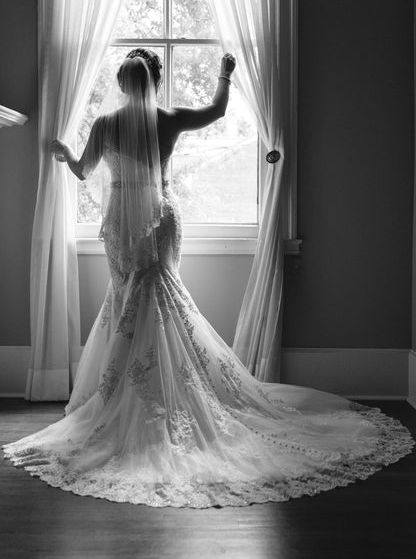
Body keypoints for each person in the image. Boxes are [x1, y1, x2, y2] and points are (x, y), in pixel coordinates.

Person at [3, 49, 413, 508]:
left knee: (132, 299)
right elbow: (218, 111)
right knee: (155, 296)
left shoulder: (104, 125)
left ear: (121, 84)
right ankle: (159, 390)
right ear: (155, 81)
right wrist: (224, 74)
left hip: (121, 222)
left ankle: (134, 393)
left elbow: (82, 172)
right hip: (161, 217)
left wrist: (62, 153)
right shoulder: (171, 118)